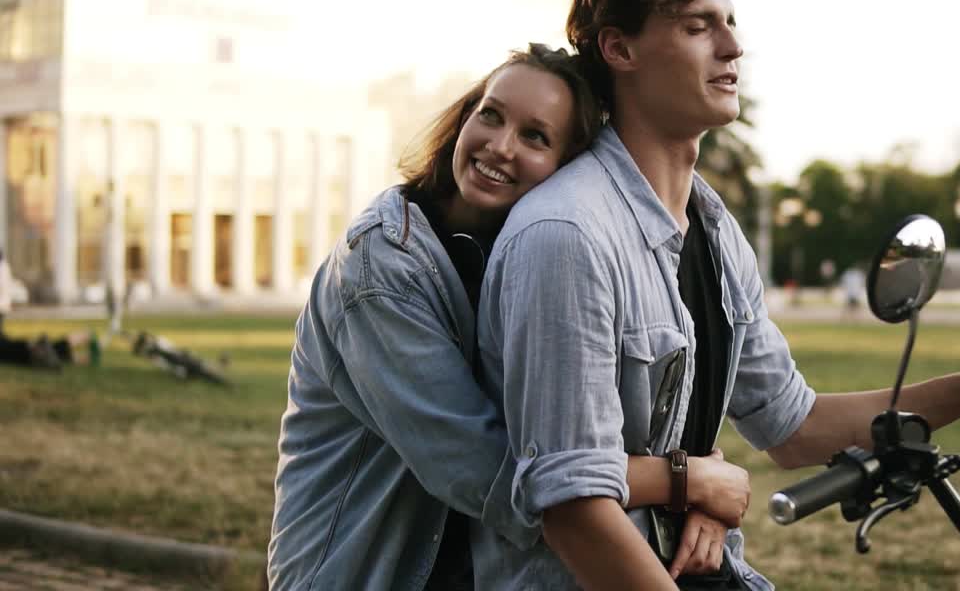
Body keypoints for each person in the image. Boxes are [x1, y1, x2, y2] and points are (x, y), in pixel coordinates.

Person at [474, 0, 960, 590]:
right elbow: (574, 508)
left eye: (730, 22)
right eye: (697, 26)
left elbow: (793, 425)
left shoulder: (716, 234)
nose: (733, 46)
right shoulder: (568, 235)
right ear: (619, 48)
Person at [267, 45, 750, 590]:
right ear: (464, 118)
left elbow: (610, 435)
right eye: (490, 115)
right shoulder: (380, 269)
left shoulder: (544, 259)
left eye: (535, 137)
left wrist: (703, 491)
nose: (499, 146)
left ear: (572, 167)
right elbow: (493, 476)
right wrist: (686, 482)